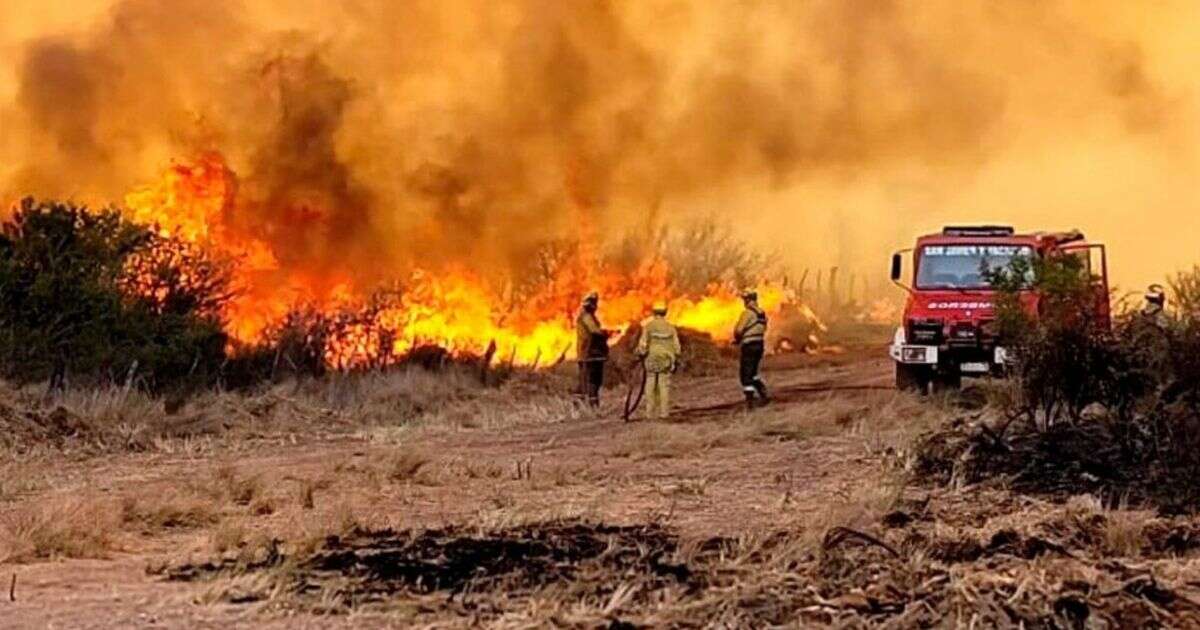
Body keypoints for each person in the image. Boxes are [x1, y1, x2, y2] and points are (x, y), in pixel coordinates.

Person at [636, 301, 682, 420]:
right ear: (665, 313)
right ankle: (664, 413)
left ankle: (650, 413)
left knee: (650, 384)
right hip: (666, 359)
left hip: (651, 358)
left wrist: (640, 353)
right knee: (664, 385)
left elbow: (643, 344)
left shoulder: (649, 326)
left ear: (654, 312)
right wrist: (676, 357)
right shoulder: (670, 327)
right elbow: (677, 347)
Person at [733, 289, 770, 409]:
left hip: (749, 345)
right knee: (753, 372)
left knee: (745, 374)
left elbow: (739, 330)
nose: (744, 302)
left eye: (745, 299)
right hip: (759, 344)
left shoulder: (747, 313)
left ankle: (750, 402)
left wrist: (737, 339)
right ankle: (763, 393)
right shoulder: (762, 313)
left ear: (749, 300)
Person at [575, 291, 611, 407]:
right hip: (590, 354)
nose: (596, 306)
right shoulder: (586, 317)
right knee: (591, 381)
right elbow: (595, 331)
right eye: (594, 303)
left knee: (591, 380)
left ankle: (587, 405)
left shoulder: (588, 317)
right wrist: (607, 333)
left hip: (592, 354)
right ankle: (591, 406)